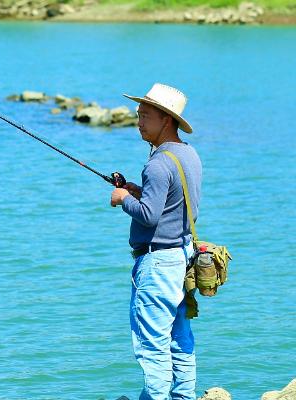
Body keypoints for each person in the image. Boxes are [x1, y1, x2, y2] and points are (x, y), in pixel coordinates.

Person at [110, 83, 202, 400]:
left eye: (145, 115)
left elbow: (148, 215)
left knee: (152, 345)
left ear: (165, 119)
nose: (138, 121)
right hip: (181, 257)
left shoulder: (158, 163)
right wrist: (139, 190)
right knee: (180, 338)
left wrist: (123, 198)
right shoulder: (187, 155)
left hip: (157, 264)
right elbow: (171, 203)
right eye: (138, 115)